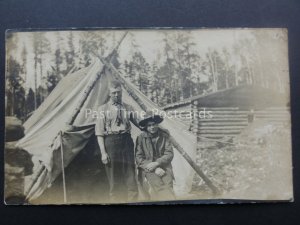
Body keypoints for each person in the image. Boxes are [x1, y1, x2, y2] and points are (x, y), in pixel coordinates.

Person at [95, 80, 140, 203]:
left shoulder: (128, 108)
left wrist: (154, 124)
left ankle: (133, 205)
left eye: (119, 92)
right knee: (114, 178)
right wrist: (103, 153)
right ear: (109, 93)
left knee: (130, 175)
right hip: (111, 142)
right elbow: (99, 132)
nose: (117, 95)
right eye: (114, 93)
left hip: (126, 141)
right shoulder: (102, 109)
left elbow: (140, 124)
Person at [135, 111, 175, 201]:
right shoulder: (141, 138)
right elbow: (139, 158)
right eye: (149, 125)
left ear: (157, 124)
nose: (152, 127)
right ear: (145, 126)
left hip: (164, 166)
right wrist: (154, 168)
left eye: (154, 124)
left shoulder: (164, 136)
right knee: (159, 186)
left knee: (168, 185)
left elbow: (169, 154)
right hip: (148, 167)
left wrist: (157, 163)